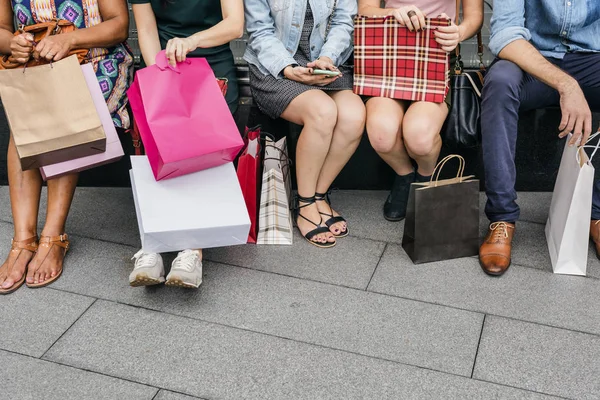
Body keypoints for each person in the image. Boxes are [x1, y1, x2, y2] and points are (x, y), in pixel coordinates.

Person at [0, 0, 132, 295]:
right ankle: (23, 240)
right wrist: (12, 43)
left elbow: (119, 25)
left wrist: (69, 38)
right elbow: (1, 30)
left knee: (60, 113)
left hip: (96, 62)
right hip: (34, 67)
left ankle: (52, 235)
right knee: (25, 121)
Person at [479, 0, 600, 276]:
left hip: (589, 56)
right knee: (499, 83)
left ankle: (597, 213)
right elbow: (505, 35)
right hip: (532, 59)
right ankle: (502, 219)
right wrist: (567, 84)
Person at [128, 0, 243, 288]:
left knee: (200, 153)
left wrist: (192, 42)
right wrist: (161, 75)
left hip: (211, 62)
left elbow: (235, 25)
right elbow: (145, 27)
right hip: (161, 60)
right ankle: (153, 243)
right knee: (156, 148)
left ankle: (192, 249)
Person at [245, 0, 366, 248]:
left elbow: (344, 22)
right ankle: (306, 202)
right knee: (322, 111)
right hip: (275, 69)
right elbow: (260, 32)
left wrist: (326, 58)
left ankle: (320, 194)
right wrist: (289, 69)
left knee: (354, 116)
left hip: (326, 65)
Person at [358, 0, 483, 222]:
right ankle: (404, 176)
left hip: (435, 58)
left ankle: (425, 178)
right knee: (381, 135)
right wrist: (394, 12)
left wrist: (459, 32)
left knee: (419, 137)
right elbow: (365, 10)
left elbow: (474, 16)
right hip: (387, 57)